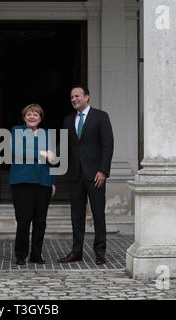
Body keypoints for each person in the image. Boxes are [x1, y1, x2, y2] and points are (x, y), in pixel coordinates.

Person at [57, 85, 114, 265]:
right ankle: (76, 252)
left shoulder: (101, 116)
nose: (74, 99)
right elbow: (63, 145)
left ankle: (100, 252)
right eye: (72, 97)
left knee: (98, 215)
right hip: (75, 175)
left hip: (96, 175)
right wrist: (51, 154)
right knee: (77, 216)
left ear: (87, 97)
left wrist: (103, 170)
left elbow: (108, 145)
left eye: (77, 96)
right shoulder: (68, 120)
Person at [9, 103, 56, 265]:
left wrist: (53, 182)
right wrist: (41, 153)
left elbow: (51, 160)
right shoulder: (17, 131)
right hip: (22, 182)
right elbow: (18, 152)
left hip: (43, 182)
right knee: (23, 220)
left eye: (35, 114)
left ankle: (36, 254)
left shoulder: (46, 134)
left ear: (40, 118)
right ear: (24, 117)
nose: (32, 116)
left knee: (40, 221)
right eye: (29, 114)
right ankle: (21, 254)